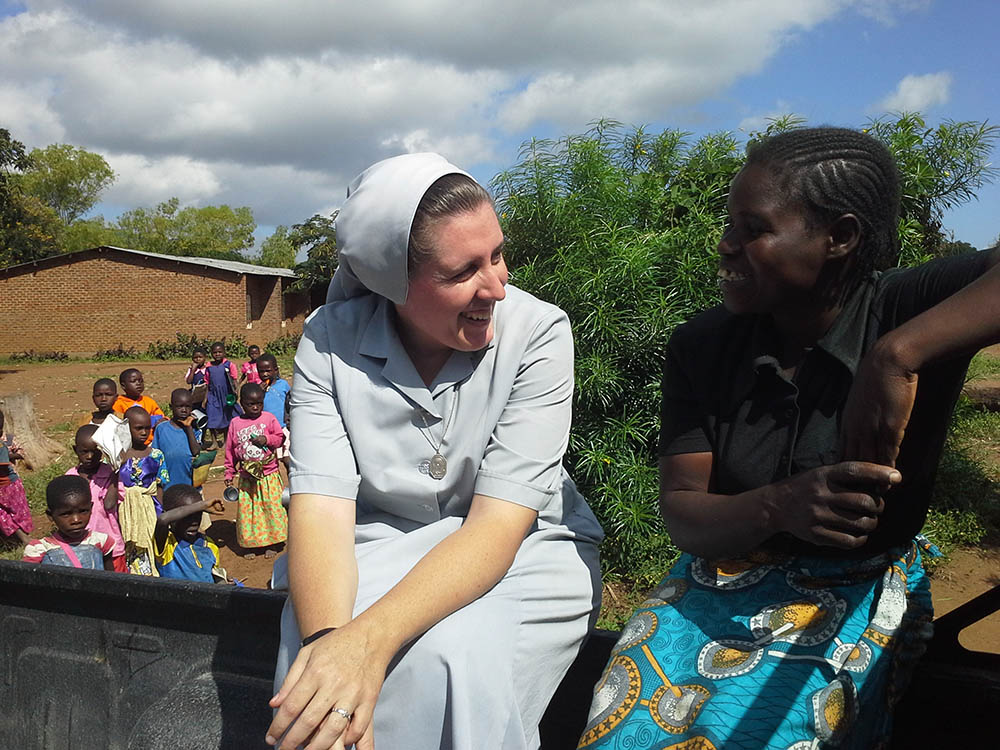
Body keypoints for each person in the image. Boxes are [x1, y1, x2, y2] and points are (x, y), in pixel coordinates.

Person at [580, 127, 1000, 750]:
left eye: (754, 229)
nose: (725, 246)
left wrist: (895, 356)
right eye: (730, 225)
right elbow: (686, 516)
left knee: (778, 732)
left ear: (840, 238)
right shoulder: (704, 347)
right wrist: (781, 504)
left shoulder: (900, 309)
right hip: (715, 576)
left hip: (860, 583)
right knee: (628, 726)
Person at [267, 153, 603, 750]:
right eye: (463, 272)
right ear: (391, 282)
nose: (497, 287)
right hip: (370, 545)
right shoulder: (327, 341)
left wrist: (367, 644)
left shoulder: (540, 334)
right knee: (316, 666)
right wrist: (331, 653)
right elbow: (320, 511)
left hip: (524, 548)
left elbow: (498, 527)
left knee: (454, 657)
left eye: (497, 254)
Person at [224, 383, 286, 559]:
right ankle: (251, 543)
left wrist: (266, 439)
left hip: (268, 475)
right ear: (242, 403)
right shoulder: (235, 423)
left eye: (259, 403)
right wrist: (229, 472)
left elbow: (279, 438)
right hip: (247, 477)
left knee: (271, 507)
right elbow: (230, 450)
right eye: (251, 403)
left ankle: (272, 542)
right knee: (250, 512)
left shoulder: (268, 419)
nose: (255, 407)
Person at [22, 475, 115, 570]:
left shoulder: (101, 541)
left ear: (91, 509)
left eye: (83, 511)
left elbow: (111, 579)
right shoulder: (39, 549)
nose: (76, 520)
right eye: (66, 514)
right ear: (50, 515)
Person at [119, 406, 170, 575]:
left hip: (150, 508)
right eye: (139, 428)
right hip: (126, 510)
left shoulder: (156, 455)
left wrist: (162, 513)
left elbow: (160, 486)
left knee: (152, 543)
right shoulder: (118, 455)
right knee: (130, 545)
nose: (144, 432)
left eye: (147, 428)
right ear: (126, 428)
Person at [66, 424, 124, 572]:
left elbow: (110, 504)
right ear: (75, 450)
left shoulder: (110, 475)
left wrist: (115, 473)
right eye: (84, 452)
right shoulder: (70, 477)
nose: (90, 456)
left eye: (95, 451)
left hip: (111, 546)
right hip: (81, 546)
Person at [153, 484, 227, 582]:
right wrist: (201, 506)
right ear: (172, 516)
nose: (194, 522)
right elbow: (162, 520)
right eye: (186, 516)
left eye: (198, 514)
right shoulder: (168, 545)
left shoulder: (209, 545)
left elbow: (214, 576)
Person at [152, 389, 202, 488]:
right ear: (171, 407)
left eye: (187, 406)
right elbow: (155, 456)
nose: (184, 410)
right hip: (167, 483)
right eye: (180, 406)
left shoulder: (195, 430)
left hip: (189, 483)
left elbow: (196, 452)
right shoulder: (161, 429)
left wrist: (189, 428)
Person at [0, 408, 32, 545]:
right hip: (6, 486)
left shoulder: (4, 444)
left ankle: (24, 538)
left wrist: (10, 455)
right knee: (3, 515)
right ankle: (21, 538)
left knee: (17, 512)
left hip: (8, 486)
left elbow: (2, 466)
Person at [257, 352, 291, 469]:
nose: (265, 374)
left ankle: (292, 483)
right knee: (272, 461)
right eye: (261, 371)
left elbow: (289, 402)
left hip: (283, 427)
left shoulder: (283, 385)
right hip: (268, 431)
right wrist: (259, 392)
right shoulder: (257, 389)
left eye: (268, 370)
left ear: (275, 370)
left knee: (287, 459)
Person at [113, 368, 165, 442]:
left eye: (141, 381)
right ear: (123, 386)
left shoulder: (149, 401)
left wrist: (161, 421)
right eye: (133, 381)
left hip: (151, 442)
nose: (138, 384)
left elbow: (161, 417)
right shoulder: (119, 404)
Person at [203, 341, 239, 449]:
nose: (217, 354)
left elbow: (234, 380)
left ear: (224, 352)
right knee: (211, 417)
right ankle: (214, 442)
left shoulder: (229, 365)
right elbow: (207, 384)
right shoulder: (209, 367)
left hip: (226, 395)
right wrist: (205, 399)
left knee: (226, 417)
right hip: (213, 396)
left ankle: (226, 441)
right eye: (215, 352)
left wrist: (236, 392)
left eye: (220, 352)